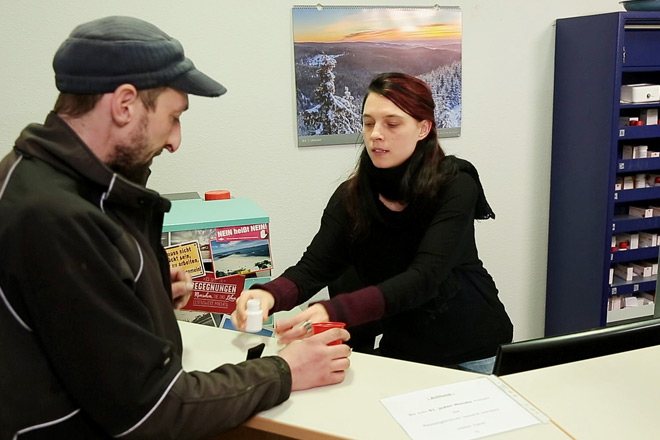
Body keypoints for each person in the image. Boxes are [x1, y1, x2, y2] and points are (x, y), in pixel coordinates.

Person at [0, 16, 350, 440]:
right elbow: (150, 410)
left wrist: (136, 290)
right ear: (124, 104)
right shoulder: (55, 216)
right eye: (174, 116)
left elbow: (67, 326)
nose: (175, 141)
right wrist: (285, 370)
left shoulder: (42, 179)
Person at [232, 72, 513, 374]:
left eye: (392, 124)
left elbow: (425, 277)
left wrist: (331, 310)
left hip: (476, 348)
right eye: (368, 123)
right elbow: (314, 267)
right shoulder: (351, 197)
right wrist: (269, 294)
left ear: (423, 128)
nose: (376, 134)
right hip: (406, 349)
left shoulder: (455, 186)